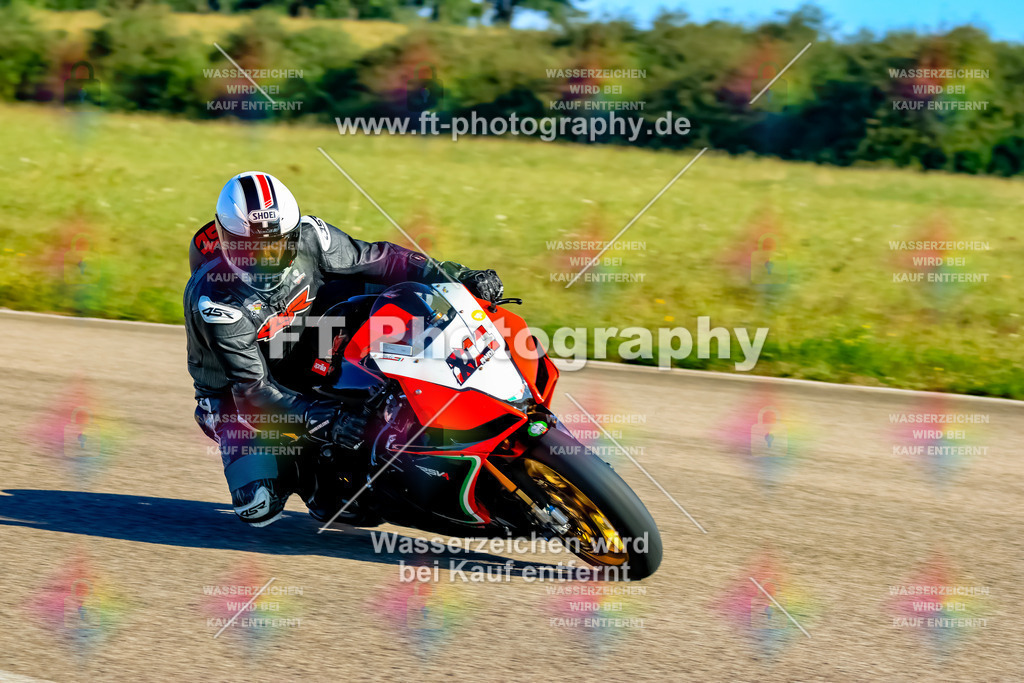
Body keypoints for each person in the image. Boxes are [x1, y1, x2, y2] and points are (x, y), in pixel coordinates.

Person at [184, 172, 503, 527]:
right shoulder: (216, 303)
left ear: (294, 235)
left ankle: (434, 391)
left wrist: (455, 276)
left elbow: (384, 259)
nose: (267, 259)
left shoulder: (312, 236)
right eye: (252, 250)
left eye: (278, 246)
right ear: (227, 241)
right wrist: (329, 420)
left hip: (309, 343)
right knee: (258, 505)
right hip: (236, 398)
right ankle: (311, 478)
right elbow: (252, 392)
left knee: (376, 288)